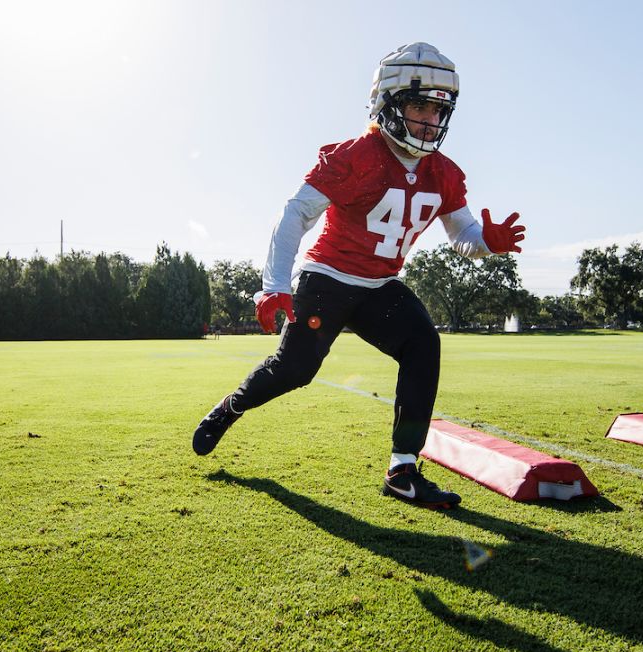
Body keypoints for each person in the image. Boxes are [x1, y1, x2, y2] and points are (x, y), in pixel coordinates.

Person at [192, 42, 524, 510]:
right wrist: (274, 285)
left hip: (378, 286)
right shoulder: (356, 156)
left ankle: (403, 470)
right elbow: (294, 217)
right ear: (387, 103)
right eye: (417, 105)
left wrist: (486, 240)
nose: (430, 119)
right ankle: (232, 406)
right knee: (295, 370)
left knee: (423, 344)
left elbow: (462, 233)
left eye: (437, 108)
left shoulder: (444, 173)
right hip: (327, 277)